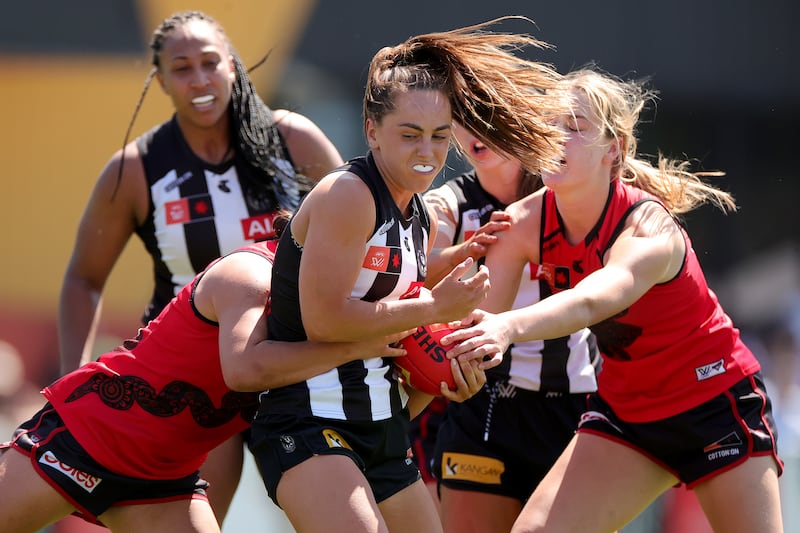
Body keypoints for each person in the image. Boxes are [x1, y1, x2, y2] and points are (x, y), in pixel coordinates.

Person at [246, 17, 569, 533]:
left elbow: (392, 287)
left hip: (383, 425)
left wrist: (445, 372)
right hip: (309, 421)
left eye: (441, 136)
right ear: (371, 130)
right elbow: (326, 319)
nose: (428, 152)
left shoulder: (419, 212)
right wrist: (437, 309)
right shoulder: (349, 195)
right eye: (410, 135)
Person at [442, 67, 785, 532]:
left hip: (714, 401)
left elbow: (589, 302)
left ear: (614, 149)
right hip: (628, 410)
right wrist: (443, 352)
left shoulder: (647, 228)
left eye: (576, 127)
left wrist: (507, 329)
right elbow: (481, 321)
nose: (556, 137)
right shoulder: (521, 222)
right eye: (550, 124)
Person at [0, 215, 487, 532]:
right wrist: (362, 342)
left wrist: (435, 384)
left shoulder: (345, 312)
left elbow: (377, 415)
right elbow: (244, 369)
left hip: (163, 481)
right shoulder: (249, 274)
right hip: (84, 437)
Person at [57, 10, 343, 523]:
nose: (200, 79)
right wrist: (74, 380)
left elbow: (362, 227)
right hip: (192, 378)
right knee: (196, 516)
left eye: (210, 62)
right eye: (182, 68)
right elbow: (83, 278)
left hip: (294, 367)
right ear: (161, 80)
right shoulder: (136, 168)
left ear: (232, 65)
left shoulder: (292, 140)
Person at [411, 123, 599, 532]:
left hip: (575, 405)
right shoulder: (449, 201)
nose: (477, 129)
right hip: (484, 401)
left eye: (490, 113)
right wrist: (464, 249)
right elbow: (420, 262)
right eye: (466, 115)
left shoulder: (567, 191)